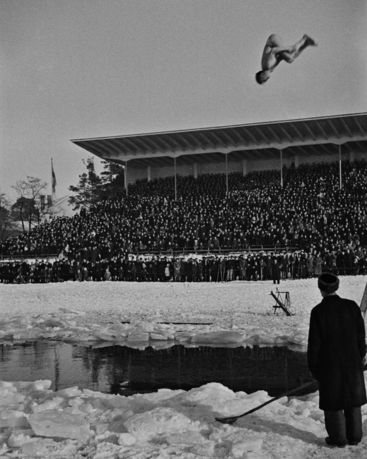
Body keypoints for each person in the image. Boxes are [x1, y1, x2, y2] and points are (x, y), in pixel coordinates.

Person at [307, 273, 367, 447]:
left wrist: (314, 368)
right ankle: (355, 436)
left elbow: (314, 344)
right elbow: (360, 335)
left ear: (321, 290)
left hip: (330, 365)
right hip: (352, 362)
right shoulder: (352, 306)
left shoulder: (318, 312)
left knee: (333, 402)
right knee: (352, 399)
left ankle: (338, 438)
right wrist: (362, 354)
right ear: (336, 287)